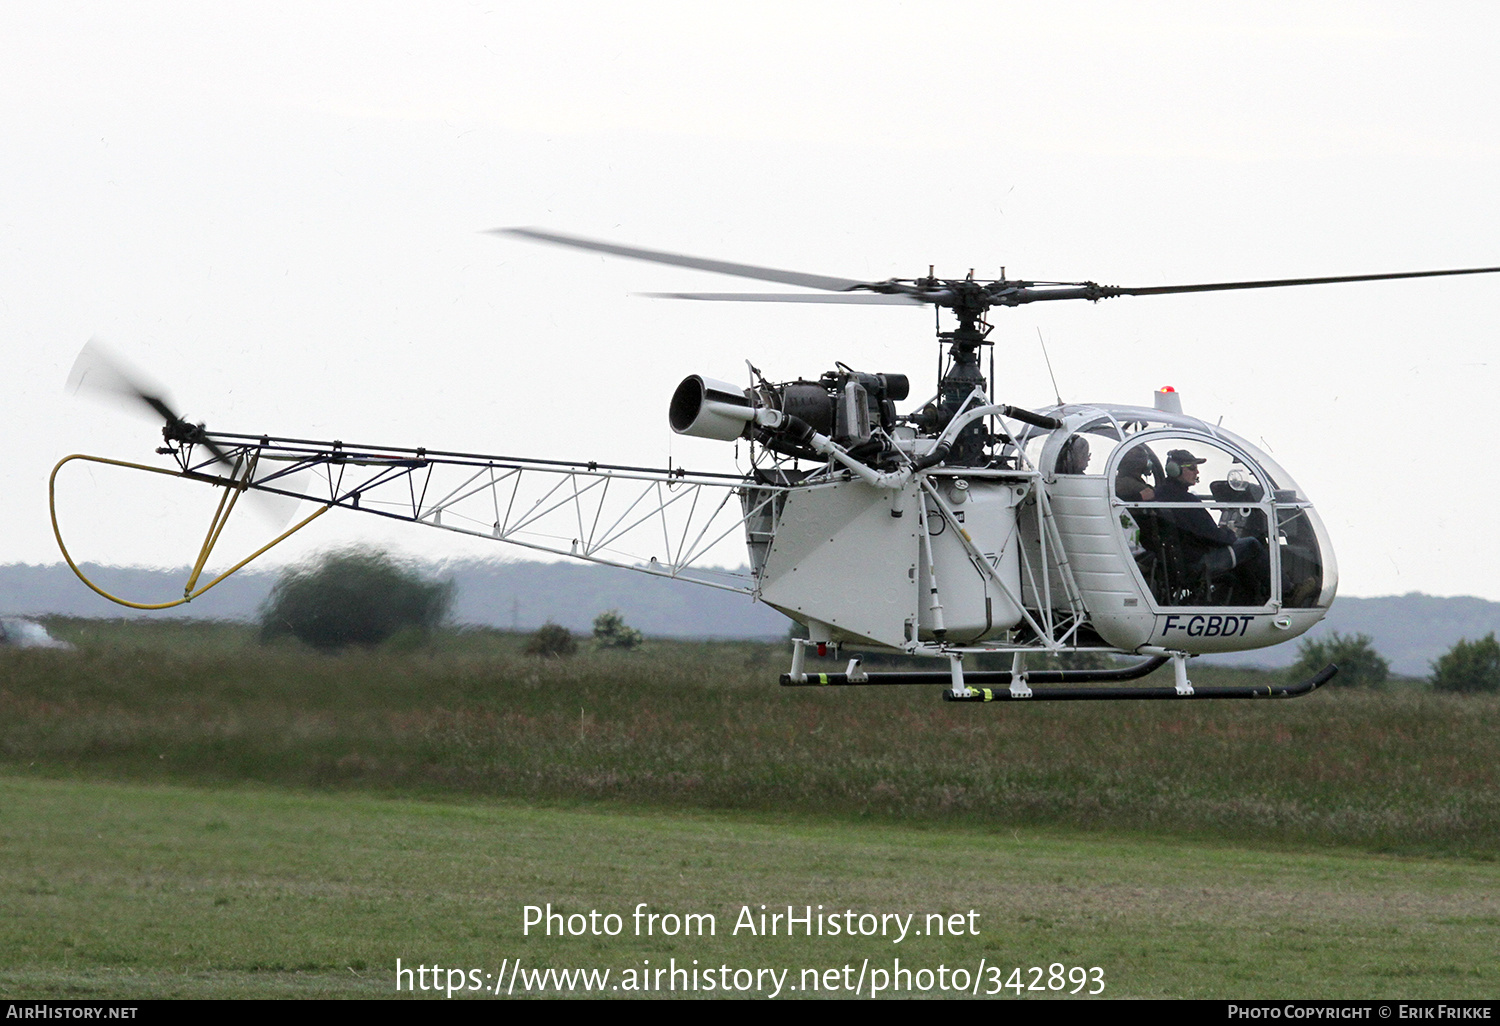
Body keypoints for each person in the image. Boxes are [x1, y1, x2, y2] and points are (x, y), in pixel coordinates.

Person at [1155, 448, 1267, 585]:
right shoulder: (1187, 501)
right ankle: (1287, 592)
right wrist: (1231, 534)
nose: (1197, 472)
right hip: (1197, 562)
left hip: (1178, 561)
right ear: (1175, 470)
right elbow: (1215, 538)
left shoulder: (1159, 494)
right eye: (1192, 468)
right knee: (1252, 544)